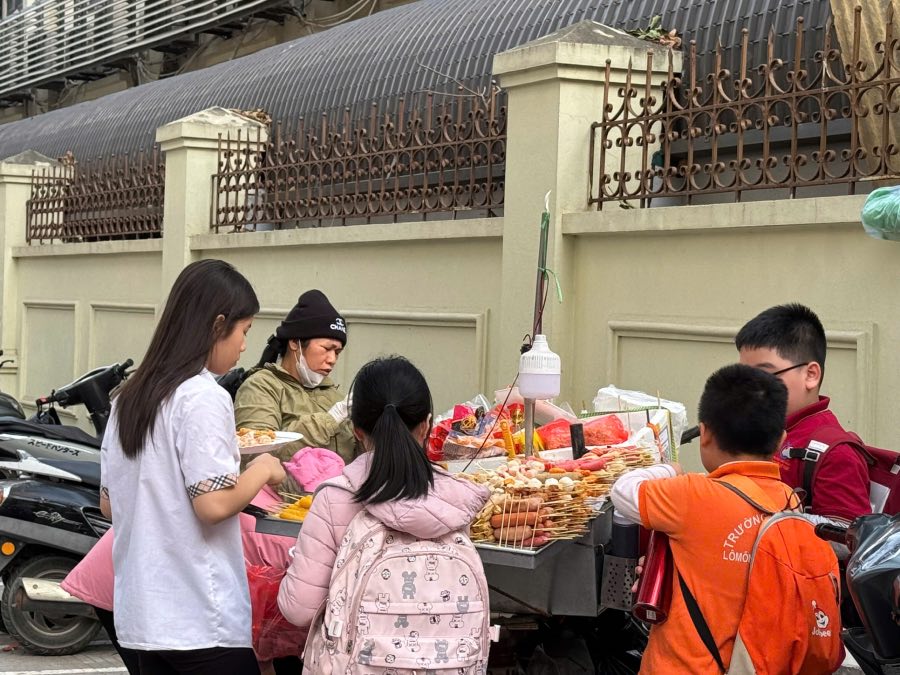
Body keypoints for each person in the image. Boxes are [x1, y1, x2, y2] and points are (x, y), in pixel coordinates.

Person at [99, 259, 286, 675]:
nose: (243, 346)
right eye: (244, 331)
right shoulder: (202, 396)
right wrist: (264, 469)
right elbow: (213, 504)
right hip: (200, 617)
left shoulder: (127, 397)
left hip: (144, 617)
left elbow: (110, 505)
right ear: (218, 325)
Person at [276, 355, 490, 628]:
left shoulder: (334, 498)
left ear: (357, 431)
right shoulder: (456, 498)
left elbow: (299, 610)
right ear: (426, 425)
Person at [611, 364, 798, 673]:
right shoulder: (791, 502)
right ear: (780, 440)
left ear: (705, 433)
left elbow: (623, 490)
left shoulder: (692, 494)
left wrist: (670, 469)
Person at [736, 303, 871, 524]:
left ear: (811, 375)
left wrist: (775, 523)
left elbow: (848, 540)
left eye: (763, 375)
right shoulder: (758, 429)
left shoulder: (837, 453)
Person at [234, 289, 357, 464]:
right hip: (281, 492)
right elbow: (255, 457)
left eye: (337, 352)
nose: (332, 359)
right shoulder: (260, 387)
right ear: (294, 343)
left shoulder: (335, 397)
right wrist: (329, 420)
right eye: (326, 348)